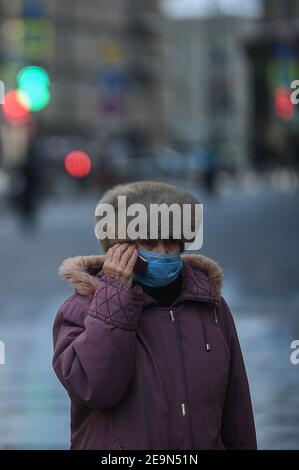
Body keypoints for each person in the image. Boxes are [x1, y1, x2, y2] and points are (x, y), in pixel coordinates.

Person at [52, 181, 257, 450]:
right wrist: (114, 296)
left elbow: (237, 411)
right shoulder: (81, 309)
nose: (162, 252)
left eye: (171, 241)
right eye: (148, 242)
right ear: (118, 247)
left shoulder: (211, 307)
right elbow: (96, 388)